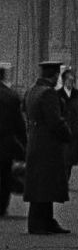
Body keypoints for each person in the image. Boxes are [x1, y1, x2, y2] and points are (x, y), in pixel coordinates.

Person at [22, 60, 72, 235]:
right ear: (56, 75)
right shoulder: (49, 93)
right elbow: (55, 121)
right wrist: (67, 134)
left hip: (35, 140)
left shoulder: (31, 91)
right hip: (48, 143)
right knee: (45, 183)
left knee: (41, 182)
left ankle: (47, 220)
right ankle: (38, 223)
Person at [0, 61, 27, 217]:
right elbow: (19, 124)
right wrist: (24, 144)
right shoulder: (11, 96)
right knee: (4, 176)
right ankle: (1, 207)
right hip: (5, 143)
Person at [57, 68, 78, 183]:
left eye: (72, 80)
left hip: (74, 131)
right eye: (69, 80)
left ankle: (66, 179)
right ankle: (62, 180)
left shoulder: (77, 94)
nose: (71, 82)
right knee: (62, 157)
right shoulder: (57, 94)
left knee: (70, 159)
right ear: (64, 80)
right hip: (61, 130)